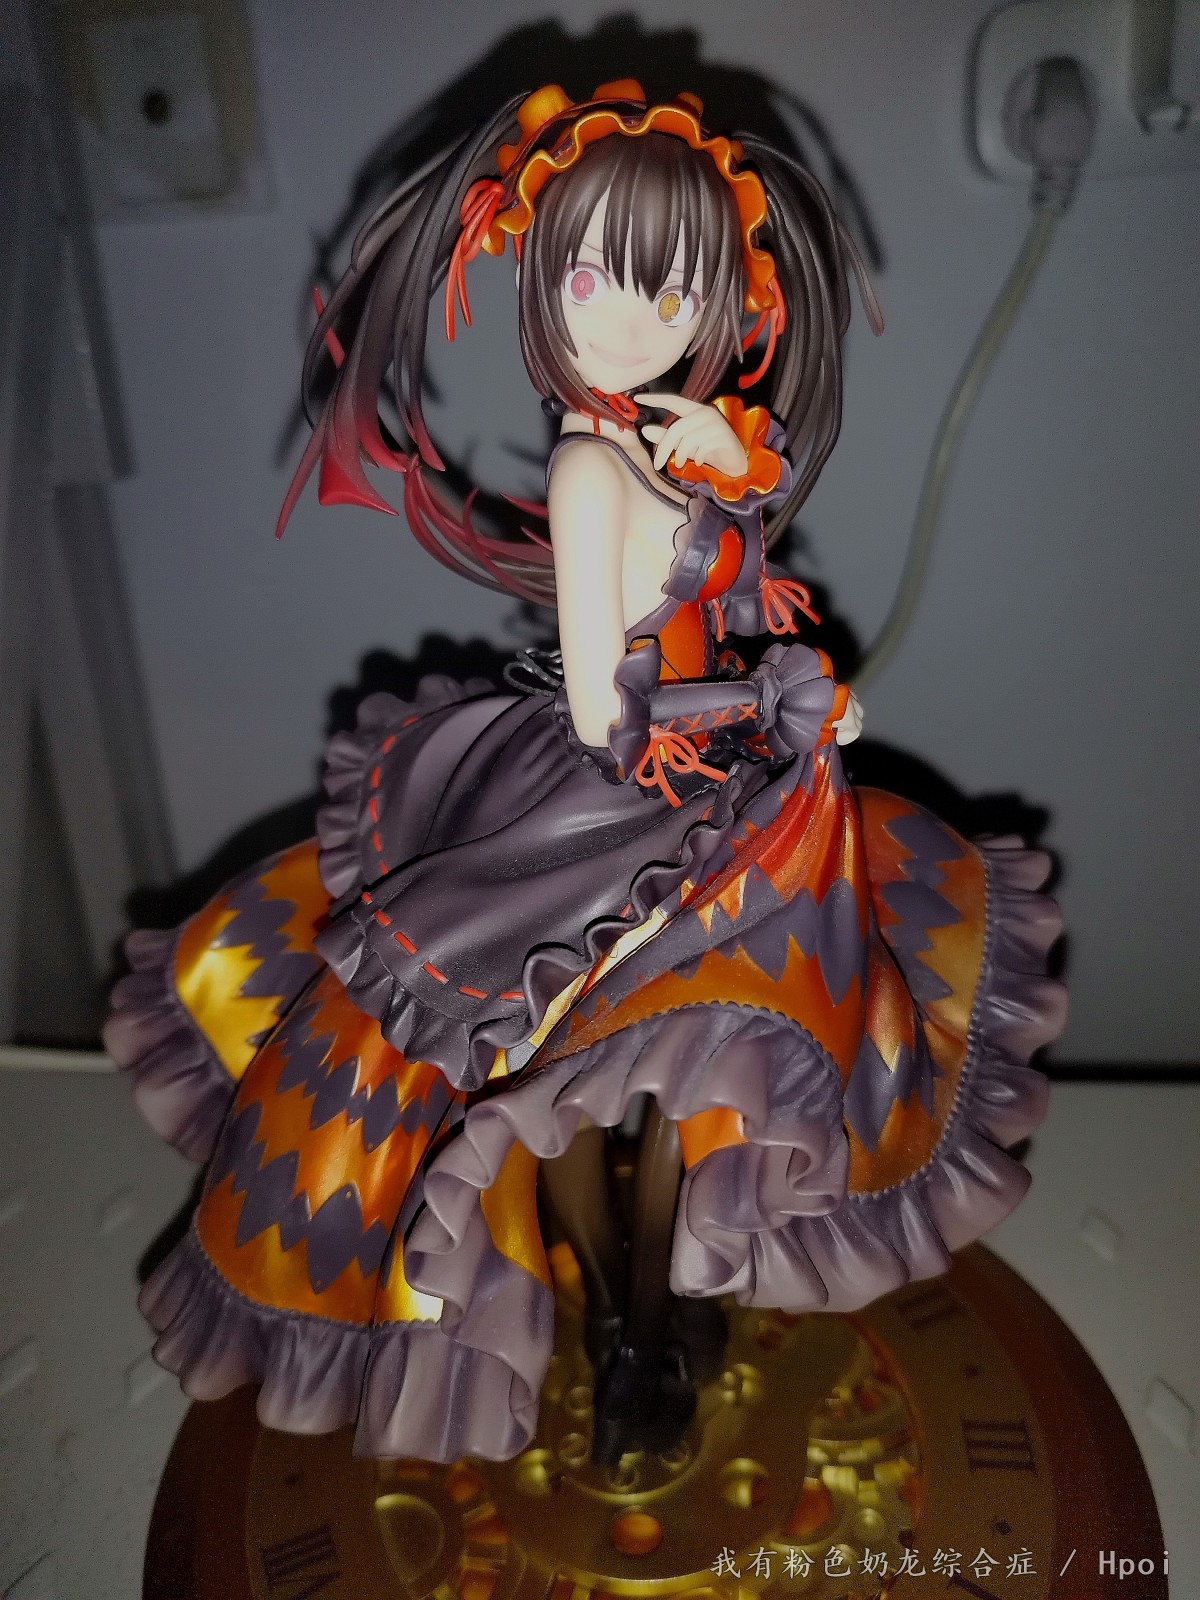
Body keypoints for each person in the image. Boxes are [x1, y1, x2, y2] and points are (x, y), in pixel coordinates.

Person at [106, 80, 1065, 1467]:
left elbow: (731, 590)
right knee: (553, 1087)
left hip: (727, 785)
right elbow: (605, 705)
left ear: (722, 302)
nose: (631, 319)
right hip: (607, 806)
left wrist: (746, 541)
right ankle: (620, 1315)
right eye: (594, 279)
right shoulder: (588, 476)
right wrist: (767, 701)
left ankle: (659, 1304)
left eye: (673, 289)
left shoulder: (676, 444)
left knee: (699, 1060)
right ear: (540, 282)